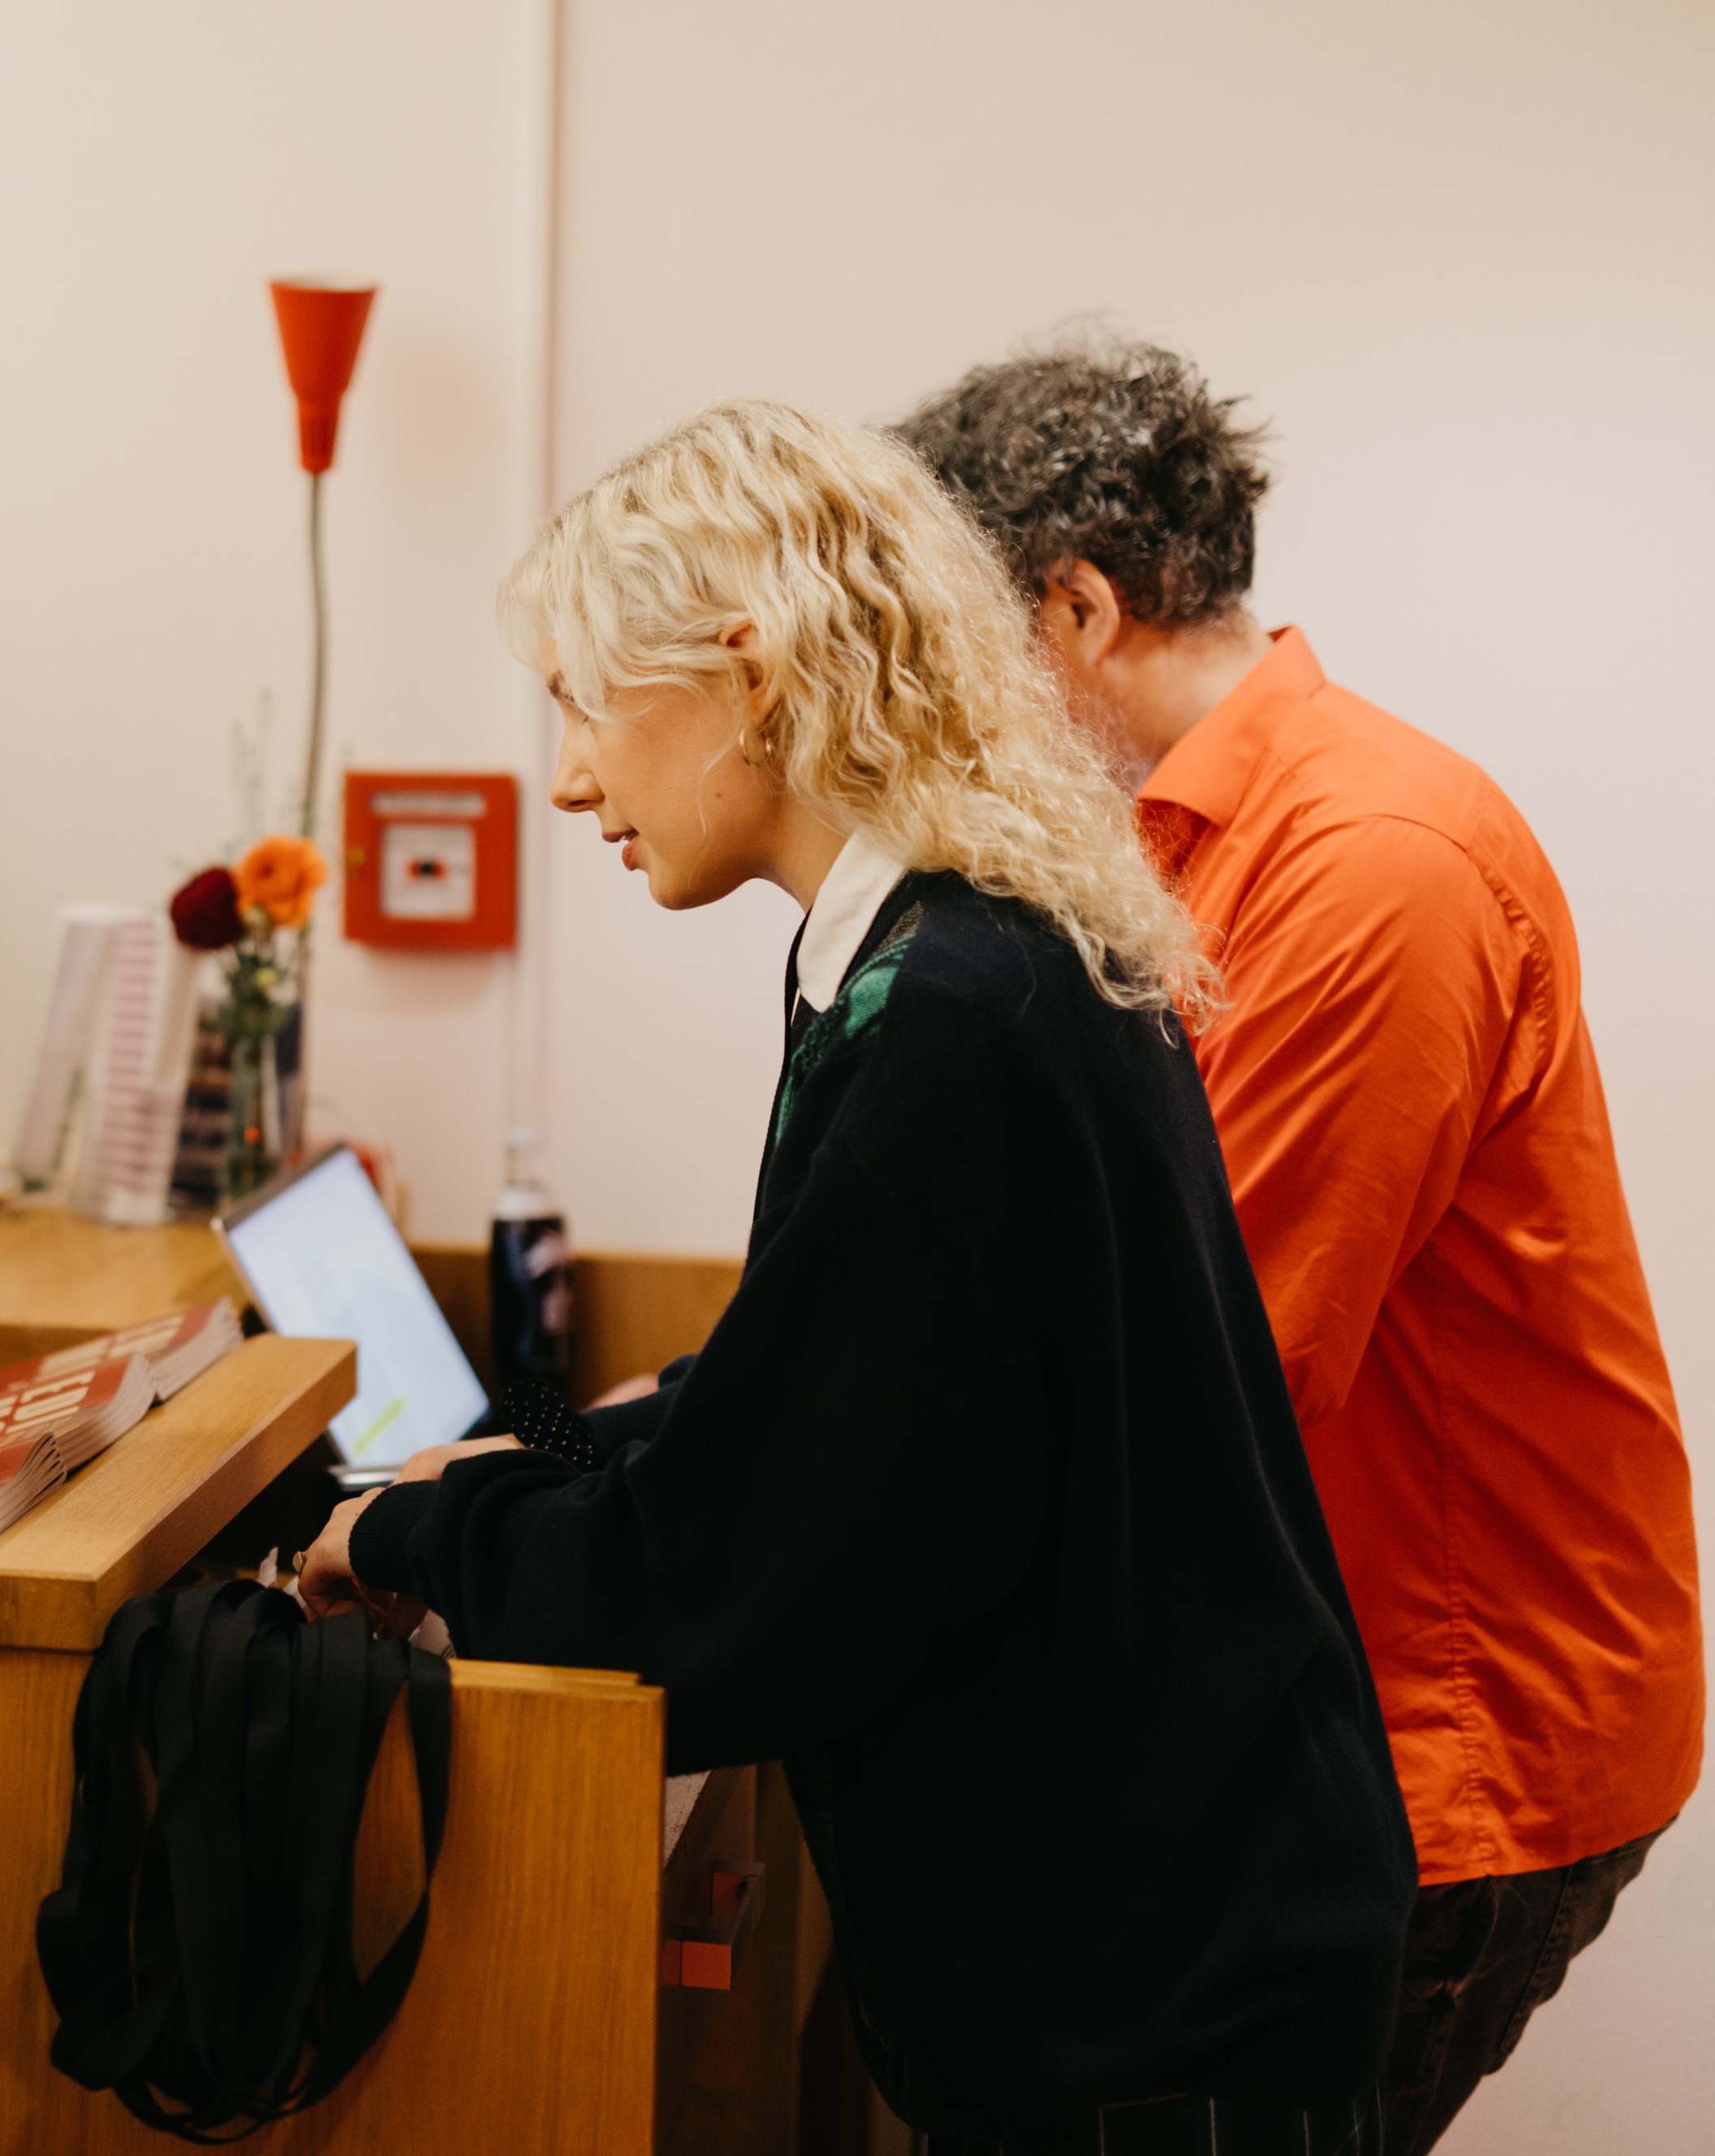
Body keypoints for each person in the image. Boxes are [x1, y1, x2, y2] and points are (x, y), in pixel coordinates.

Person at [298, 401, 1417, 2149]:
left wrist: (402, 1537)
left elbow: (748, 1579)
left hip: (1150, 2009)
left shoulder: (946, 1015)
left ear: (749, 674)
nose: (570, 778)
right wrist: (526, 1452)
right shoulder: (956, 947)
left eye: (586, 706)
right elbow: (819, 1392)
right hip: (1170, 1938)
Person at [898, 337, 1700, 2154]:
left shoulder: (1367, 859)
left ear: (1074, 606)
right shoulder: (1180, 845)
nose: (931, 702)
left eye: (944, 641)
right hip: (1346, 1684)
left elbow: (1205, 1360)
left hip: (1450, 1718)